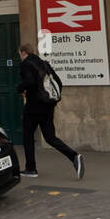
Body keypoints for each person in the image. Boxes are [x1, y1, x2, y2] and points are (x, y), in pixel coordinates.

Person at [17, 43, 83, 179]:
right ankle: (74, 156)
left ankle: (31, 168)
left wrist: (19, 88)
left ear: (23, 52)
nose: (20, 57)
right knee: (50, 137)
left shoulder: (26, 64)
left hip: (34, 106)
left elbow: (29, 81)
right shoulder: (43, 63)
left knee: (28, 136)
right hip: (47, 106)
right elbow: (58, 82)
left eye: (19, 54)